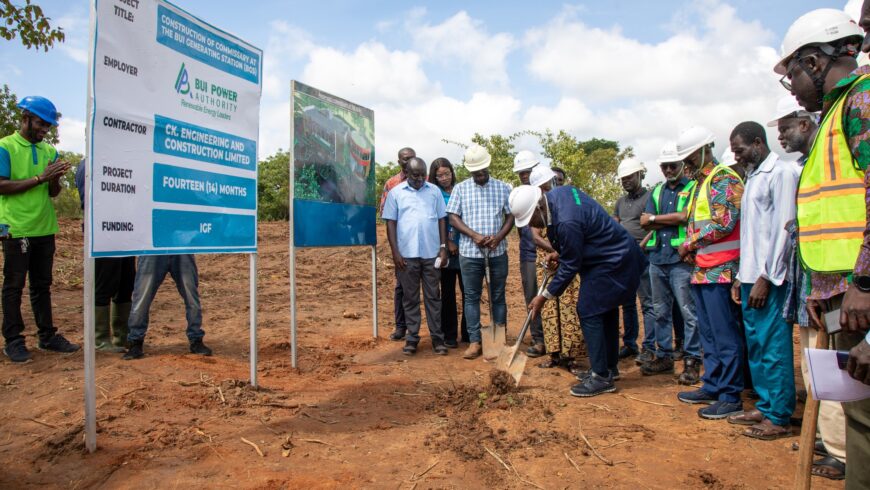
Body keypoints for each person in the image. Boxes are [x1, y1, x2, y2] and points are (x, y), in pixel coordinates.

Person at [779, 7, 870, 487]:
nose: (792, 86)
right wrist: (822, 290)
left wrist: (864, 284)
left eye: (791, 73)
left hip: (861, 299)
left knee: (867, 426)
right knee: (857, 419)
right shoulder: (835, 116)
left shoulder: (862, 102)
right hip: (840, 300)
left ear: (814, 62)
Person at [512, 184, 647, 397]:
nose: (531, 226)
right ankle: (608, 369)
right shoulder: (559, 195)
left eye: (530, 220)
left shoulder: (566, 221)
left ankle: (601, 377)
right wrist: (562, 252)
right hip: (612, 256)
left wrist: (544, 297)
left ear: (539, 207)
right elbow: (583, 234)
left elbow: (571, 266)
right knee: (606, 311)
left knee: (588, 310)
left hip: (613, 261)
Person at [771, 97, 843, 478]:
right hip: (811, 281)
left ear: (804, 123)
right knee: (814, 361)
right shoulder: (805, 166)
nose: (780, 135)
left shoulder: (829, 157)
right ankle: (828, 436)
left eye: (784, 127)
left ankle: (842, 449)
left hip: (841, 281)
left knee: (835, 364)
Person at [725, 122, 799, 440]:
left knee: (773, 346)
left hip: (769, 278)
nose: (737, 157)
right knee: (755, 345)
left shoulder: (780, 173)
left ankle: (780, 414)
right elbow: (751, 234)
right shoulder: (753, 177)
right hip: (749, 275)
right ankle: (766, 404)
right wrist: (741, 276)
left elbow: (785, 228)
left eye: (740, 150)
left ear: (757, 143)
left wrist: (766, 277)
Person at [673, 125, 746, 420]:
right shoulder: (700, 184)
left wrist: (689, 243)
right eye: (685, 159)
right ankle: (713, 384)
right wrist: (692, 248)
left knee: (724, 334)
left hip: (723, 269)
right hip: (703, 268)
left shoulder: (724, 179)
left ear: (707, 149)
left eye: (690, 157)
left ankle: (730, 394)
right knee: (708, 334)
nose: (687, 163)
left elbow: (724, 223)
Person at [0, 96, 79, 362]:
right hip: (16, 228)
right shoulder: (5, 147)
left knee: (42, 285)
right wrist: (39, 178)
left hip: (44, 227)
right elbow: (1, 185)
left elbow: (53, 193)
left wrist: (54, 179)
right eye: (41, 123)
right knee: (14, 285)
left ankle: (47, 336)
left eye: (48, 126)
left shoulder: (49, 151)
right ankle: (13, 340)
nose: (45, 129)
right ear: (25, 118)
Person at [639, 142, 702, 384]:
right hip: (657, 258)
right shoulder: (656, 191)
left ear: (682, 165)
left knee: (688, 311)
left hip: (680, 260)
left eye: (672, 165)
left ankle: (692, 359)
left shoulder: (693, 188)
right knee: (660, 311)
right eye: (664, 166)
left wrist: (657, 219)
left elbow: (686, 217)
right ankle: (663, 356)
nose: (668, 170)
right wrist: (667, 220)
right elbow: (646, 223)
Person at [446, 144, 514, 360]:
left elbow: (511, 215)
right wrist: (474, 235)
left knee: (497, 296)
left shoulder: (503, 188)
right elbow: (453, 217)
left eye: (482, 171)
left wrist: (499, 236)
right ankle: (475, 341)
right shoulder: (461, 188)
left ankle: (499, 341)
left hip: (497, 253)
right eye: (475, 172)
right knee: (472, 297)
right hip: (470, 253)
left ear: (488, 166)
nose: (479, 175)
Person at [384, 157, 450, 356]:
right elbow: (391, 224)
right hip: (406, 256)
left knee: (433, 298)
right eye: (415, 176)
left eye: (423, 175)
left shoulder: (434, 191)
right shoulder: (396, 193)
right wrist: (395, 252)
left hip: (431, 255)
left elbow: (441, 219)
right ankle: (412, 339)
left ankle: (438, 339)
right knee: (410, 299)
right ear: (407, 173)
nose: (420, 179)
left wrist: (443, 247)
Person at [528, 164, 584, 373]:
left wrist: (564, 252)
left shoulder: (566, 203)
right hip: (548, 261)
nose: (552, 187)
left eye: (557, 182)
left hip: (569, 259)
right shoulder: (536, 205)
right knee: (550, 308)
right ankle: (554, 355)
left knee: (569, 307)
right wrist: (557, 250)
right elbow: (535, 236)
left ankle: (571, 356)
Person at [75, 161, 136, 353]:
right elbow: (91, 201)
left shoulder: (123, 159)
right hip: (103, 232)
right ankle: (100, 340)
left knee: (126, 283)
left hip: (126, 230)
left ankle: (122, 337)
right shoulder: (90, 163)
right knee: (104, 284)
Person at [123, 255, 211, 359]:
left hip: (181, 249)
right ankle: (135, 342)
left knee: (191, 296)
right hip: (152, 250)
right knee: (142, 298)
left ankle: (196, 339)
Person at [612, 159, 654, 364]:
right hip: (624, 256)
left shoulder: (649, 197)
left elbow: (653, 226)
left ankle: (649, 346)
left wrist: (640, 247)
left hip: (643, 255)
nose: (626, 181)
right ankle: (629, 343)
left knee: (647, 302)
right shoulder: (620, 202)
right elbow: (616, 226)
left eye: (630, 177)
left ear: (640, 175)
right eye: (623, 179)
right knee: (626, 302)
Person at [429, 158, 467, 347]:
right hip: (445, 250)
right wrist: (448, 242)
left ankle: (468, 333)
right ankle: (450, 335)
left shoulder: (462, 190)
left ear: (452, 172)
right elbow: (435, 220)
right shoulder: (433, 194)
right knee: (448, 294)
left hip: (467, 249)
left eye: (447, 173)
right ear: (434, 177)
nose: (444, 178)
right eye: (439, 175)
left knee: (468, 292)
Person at [380, 147, 416, 342]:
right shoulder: (392, 184)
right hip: (402, 246)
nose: (408, 162)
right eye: (404, 159)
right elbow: (387, 218)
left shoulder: (424, 180)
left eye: (411, 158)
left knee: (427, 290)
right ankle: (401, 327)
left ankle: (415, 329)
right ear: (399, 161)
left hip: (424, 245)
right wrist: (395, 250)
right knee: (402, 288)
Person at [512, 150, 546, 357]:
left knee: (551, 298)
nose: (525, 176)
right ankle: (538, 339)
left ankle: (555, 340)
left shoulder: (546, 195)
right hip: (529, 256)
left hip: (550, 255)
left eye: (528, 171)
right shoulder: (519, 196)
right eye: (521, 173)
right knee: (532, 297)